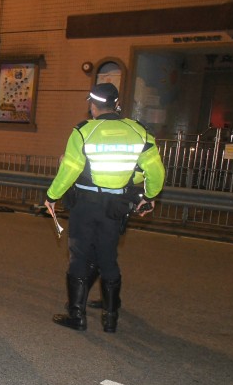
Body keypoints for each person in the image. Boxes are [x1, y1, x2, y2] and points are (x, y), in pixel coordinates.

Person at [44, 82, 165, 333]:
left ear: (93, 105)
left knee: (79, 256)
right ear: (116, 104)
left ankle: (77, 316)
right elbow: (155, 171)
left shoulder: (84, 131)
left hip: (86, 205)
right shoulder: (139, 131)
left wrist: (51, 196)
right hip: (116, 206)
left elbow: (69, 170)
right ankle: (111, 319)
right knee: (108, 256)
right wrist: (149, 196)